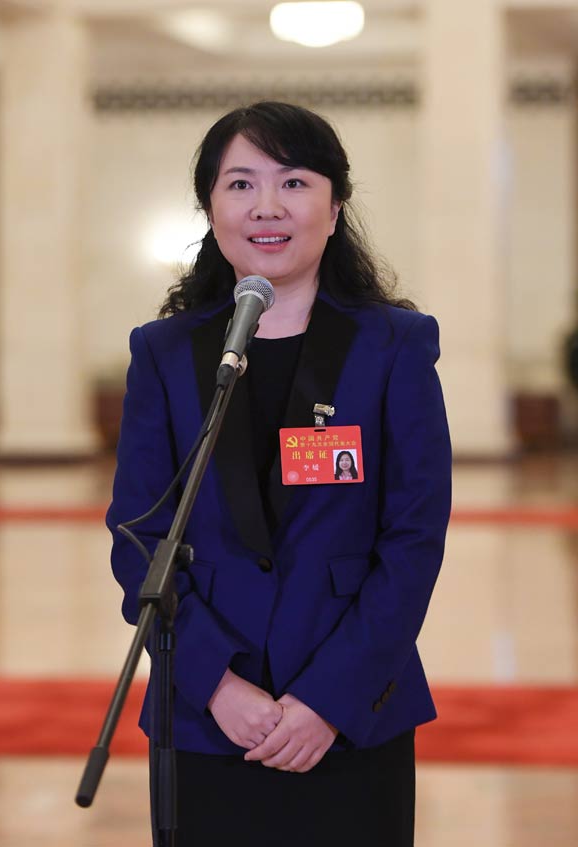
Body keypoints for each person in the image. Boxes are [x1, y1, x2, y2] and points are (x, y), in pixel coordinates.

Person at [107, 101, 451, 846]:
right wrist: (218, 685)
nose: (267, 206)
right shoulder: (165, 354)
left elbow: (414, 539)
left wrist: (327, 700)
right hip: (208, 717)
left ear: (335, 207)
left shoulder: (394, 346)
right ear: (210, 207)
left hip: (353, 713)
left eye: (294, 183)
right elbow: (138, 537)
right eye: (240, 184)